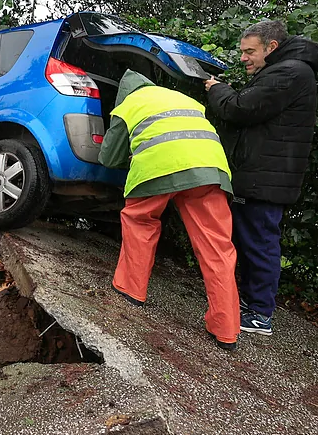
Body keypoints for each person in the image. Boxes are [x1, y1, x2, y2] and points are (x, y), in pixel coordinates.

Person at [99, 69, 240, 351]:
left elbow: (108, 158)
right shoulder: (184, 99)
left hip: (158, 168)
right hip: (210, 170)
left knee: (140, 222)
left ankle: (131, 290)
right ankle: (226, 331)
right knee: (218, 248)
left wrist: (130, 152)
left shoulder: (128, 105)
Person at [205, 20, 318, 337]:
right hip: (262, 176)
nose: (243, 58)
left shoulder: (289, 72)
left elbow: (240, 108)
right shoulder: (287, 71)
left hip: (265, 180)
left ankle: (259, 314)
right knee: (252, 244)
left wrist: (217, 89)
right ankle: (251, 305)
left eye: (249, 51)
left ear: (271, 48)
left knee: (259, 245)